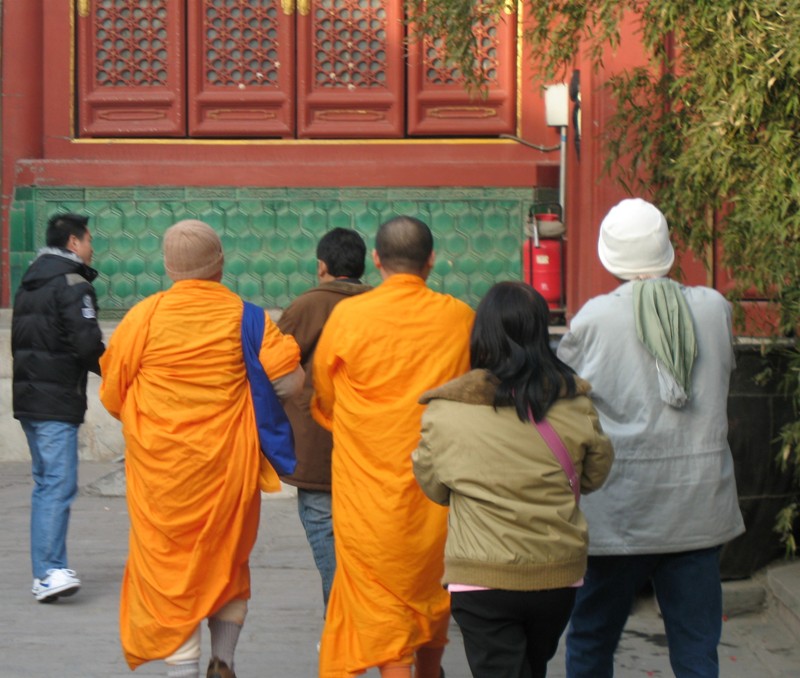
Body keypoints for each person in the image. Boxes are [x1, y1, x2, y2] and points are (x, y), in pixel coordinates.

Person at [99, 220, 303, 678]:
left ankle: (183, 668)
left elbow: (112, 395)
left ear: (170, 268)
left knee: (169, 571)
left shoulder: (143, 317)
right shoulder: (247, 317)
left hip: (161, 476)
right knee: (226, 559)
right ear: (220, 264)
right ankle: (223, 659)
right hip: (228, 468)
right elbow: (291, 381)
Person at [558, 198, 745, 678]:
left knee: (592, 639)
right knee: (697, 646)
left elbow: (571, 399)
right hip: (698, 502)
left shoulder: (594, 319)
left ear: (608, 257)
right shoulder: (714, 309)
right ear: (668, 251)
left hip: (619, 510)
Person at [411, 281, 613, 678]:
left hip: (481, 578)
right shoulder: (575, 403)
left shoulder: (445, 412)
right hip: (557, 573)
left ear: (481, 335)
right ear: (541, 333)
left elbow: (434, 488)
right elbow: (594, 475)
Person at [311, 215, 475, 678]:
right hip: (437, 488)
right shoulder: (460, 318)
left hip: (368, 489)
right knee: (431, 588)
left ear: (377, 260)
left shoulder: (349, 316)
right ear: (431, 262)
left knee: (379, 597)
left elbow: (324, 394)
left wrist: (355, 425)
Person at [277, 227, 372, 618]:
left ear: (322, 266)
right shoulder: (378, 305)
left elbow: (275, 364)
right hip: (371, 441)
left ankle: (342, 619)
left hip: (317, 441)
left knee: (323, 525)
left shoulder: (306, 306)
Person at [11, 212, 105, 603]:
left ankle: (45, 569)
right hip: (55, 400)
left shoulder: (31, 281)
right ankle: (49, 570)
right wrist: (121, 373)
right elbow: (87, 346)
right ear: (72, 243)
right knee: (58, 484)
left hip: (30, 398)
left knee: (46, 483)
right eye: (87, 240)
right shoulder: (72, 284)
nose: (91, 247)